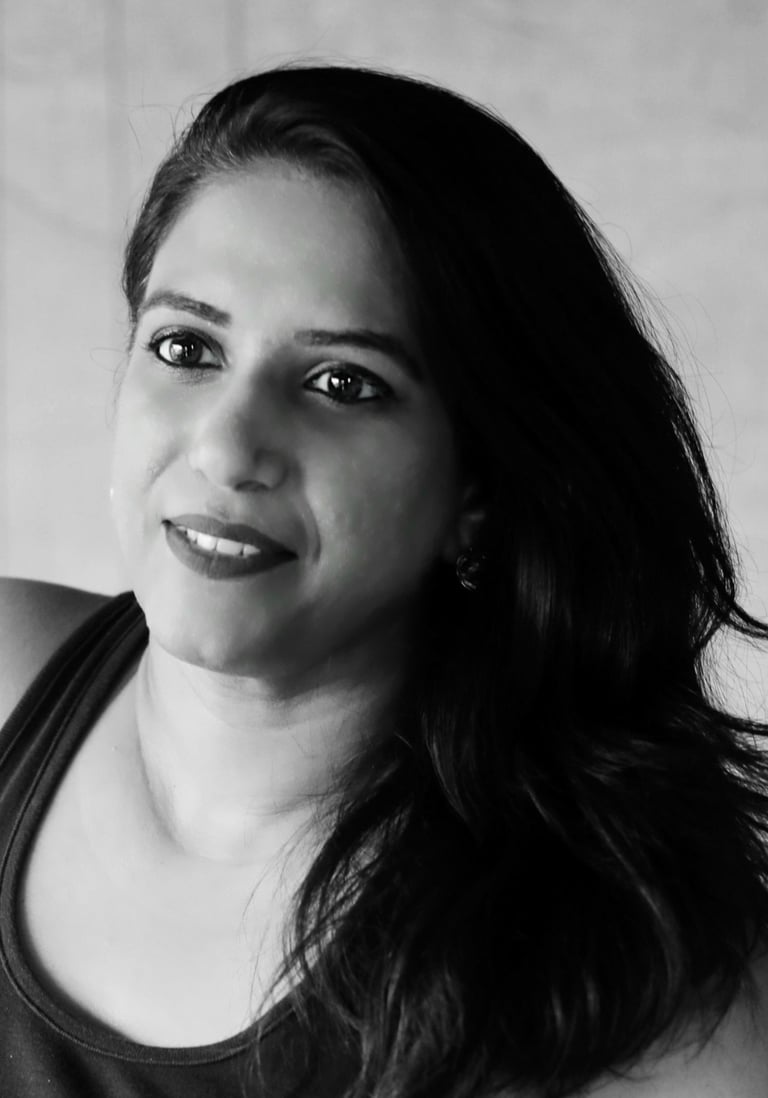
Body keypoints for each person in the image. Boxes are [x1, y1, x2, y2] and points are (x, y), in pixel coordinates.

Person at [1, 62, 767, 1098]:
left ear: (477, 489)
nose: (227, 447)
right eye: (185, 346)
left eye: (342, 382)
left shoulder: (642, 1003)